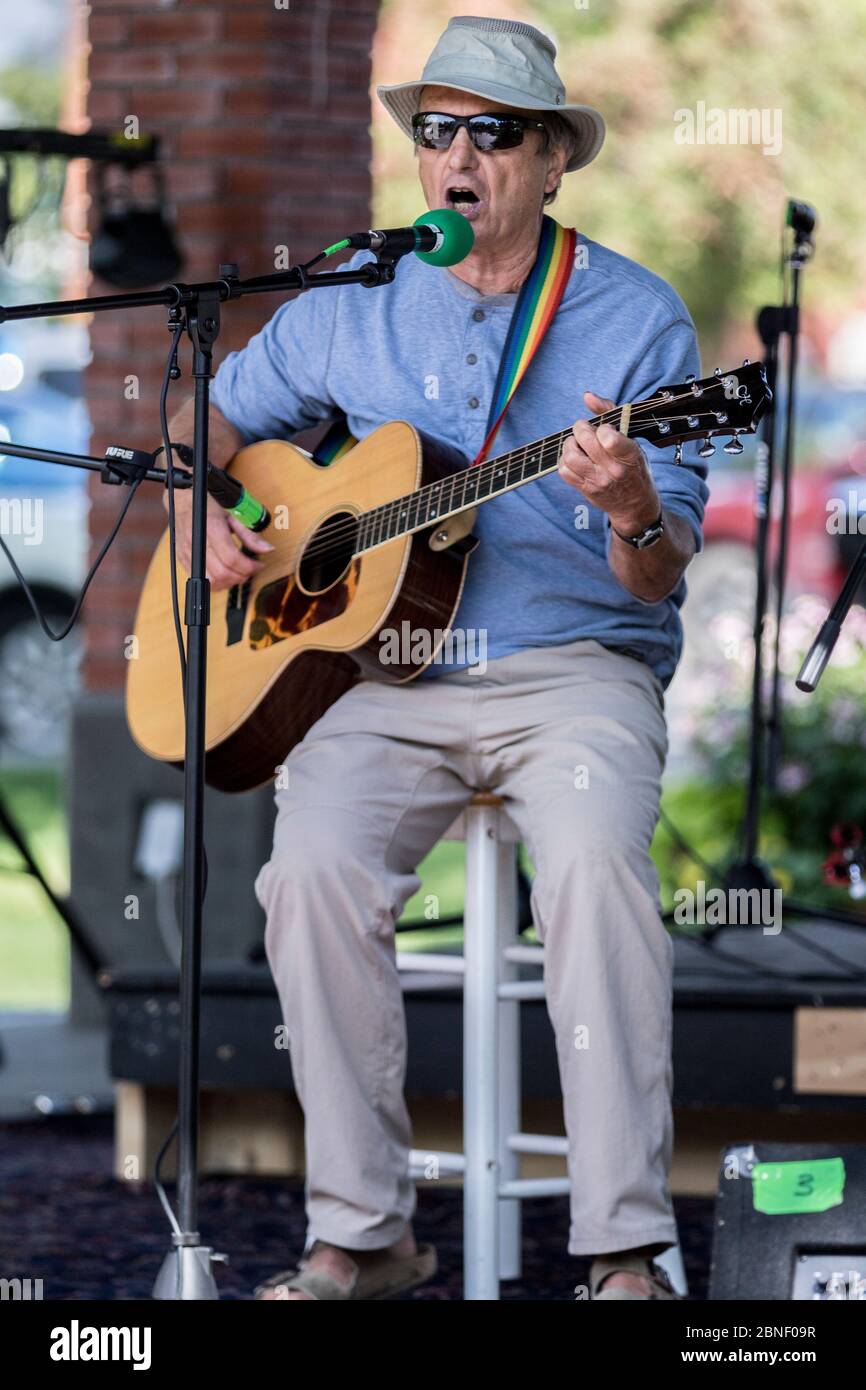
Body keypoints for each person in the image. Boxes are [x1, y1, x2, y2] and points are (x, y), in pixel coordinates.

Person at [165, 15, 709, 1300]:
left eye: (493, 132)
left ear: (551, 159)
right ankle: (365, 1238)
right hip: (383, 677)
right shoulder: (356, 292)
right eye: (435, 131)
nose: (459, 155)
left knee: (590, 869)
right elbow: (211, 413)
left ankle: (624, 1247)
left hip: (573, 665)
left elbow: (662, 561)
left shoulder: (633, 318)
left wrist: (630, 503)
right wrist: (205, 504)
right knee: (306, 873)